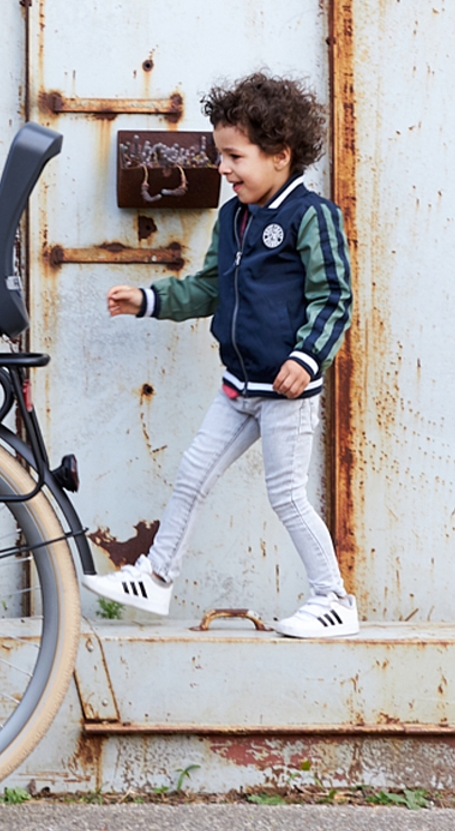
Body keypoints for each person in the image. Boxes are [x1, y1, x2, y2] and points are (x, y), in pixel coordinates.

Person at [84, 72, 357, 639]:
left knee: (286, 495)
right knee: (191, 476)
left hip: (287, 391)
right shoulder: (234, 218)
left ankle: (333, 600)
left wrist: (307, 358)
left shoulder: (311, 217)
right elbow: (208, 288)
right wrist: (148, 300)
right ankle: (156, 577)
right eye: (220, 155)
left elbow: (333, 299)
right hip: (238, 386)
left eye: (235, 156)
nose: (224, 168)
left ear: (280, 156)